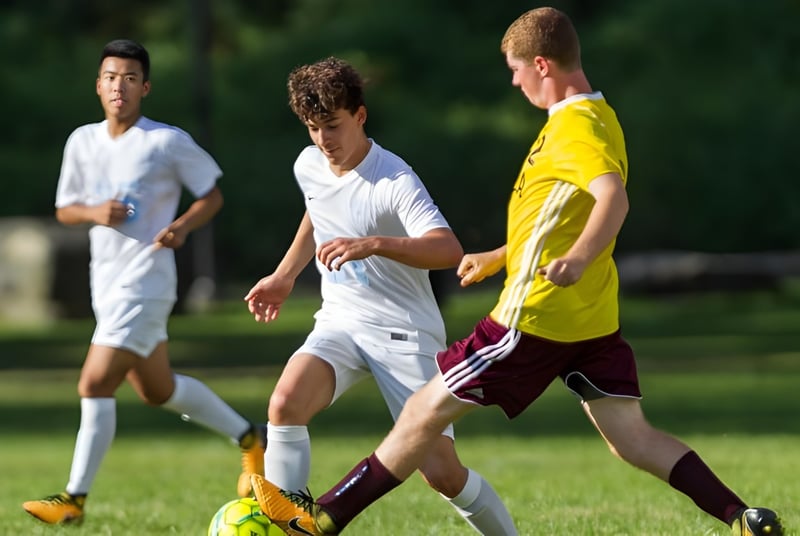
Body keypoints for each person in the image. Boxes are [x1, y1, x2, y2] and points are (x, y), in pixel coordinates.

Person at [248, 8, 785, 536]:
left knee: (419, 415)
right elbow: (559, 217)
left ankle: (321, 521)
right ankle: (743, 518)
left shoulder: (574, 127)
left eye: (515, 68)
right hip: (590, 320)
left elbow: (612, 200)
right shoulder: (597, 116)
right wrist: (502, 255)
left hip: (532, 318)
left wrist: (575, 260)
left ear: (543, 64)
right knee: (632, 439)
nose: (513, 80)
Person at [242, 56, 517, 535]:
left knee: (442, 474)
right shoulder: (309, 164)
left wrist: (372, 244)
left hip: (403, 331)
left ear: (360, 115)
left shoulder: (393, 179)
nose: (324, 141)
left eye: (333, 125)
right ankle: (289, 526)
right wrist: (285, 275)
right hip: (340, 320)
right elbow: (317, 210)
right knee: (285, 404)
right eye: (312, 128)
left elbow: (447, 249)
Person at [22, 39, 264, 525]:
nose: (120, 86)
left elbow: (211, 196)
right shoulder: (81, 141)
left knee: (93, 382)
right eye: (111, 77)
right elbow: (65, 209)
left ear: (145, 87)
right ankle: (251, 438)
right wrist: (94, 211)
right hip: (105, 282)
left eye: (130, 78)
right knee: (156, 389)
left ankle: (74, 499)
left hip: (148, 280)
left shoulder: (165, 141)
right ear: (98, 85)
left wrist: (182, 227)